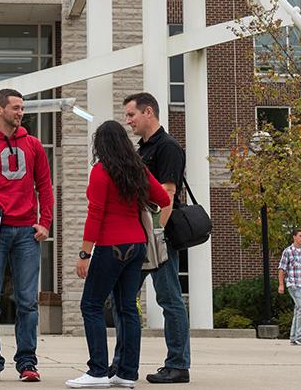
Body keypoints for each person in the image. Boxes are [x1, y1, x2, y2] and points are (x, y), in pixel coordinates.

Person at [68, 120, 173, 389]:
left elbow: (96, 214)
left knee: (90, 305)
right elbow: (163, 197)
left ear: (100, 144)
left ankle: (97, 372)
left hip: (110, 247)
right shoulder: (138, 170)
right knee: (127, 309)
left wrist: (84, 253)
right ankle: (126, 374)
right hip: (137, 246)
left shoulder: (101, 171)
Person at [0, 88, 54, 383]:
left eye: (22, 108)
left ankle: (27, 362)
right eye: (15, 108)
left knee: (28, 301)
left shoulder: (33, 145)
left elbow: (45, 186)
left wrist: (46, 222)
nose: (20, 112)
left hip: (27, 232)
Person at [111, 92, 191, 384]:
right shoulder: (140, 149)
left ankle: (178, 365)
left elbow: (167, 195)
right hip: (136, 236)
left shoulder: (168, 147)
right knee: (123, 299)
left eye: (131, 115)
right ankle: (121, 364)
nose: (128, 121)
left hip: (159, 238)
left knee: (169, 300)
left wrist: (155, 236)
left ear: (148, 112)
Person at [278, 229, 301, 346]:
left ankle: (293, 337)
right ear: (294, 237)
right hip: (293, 284)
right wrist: (281, 284)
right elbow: (282, 269)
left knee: (298, 310)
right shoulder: (288, 251)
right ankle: (300, 336)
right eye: (300, 236)